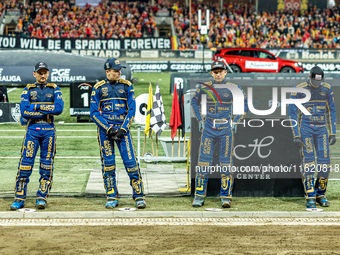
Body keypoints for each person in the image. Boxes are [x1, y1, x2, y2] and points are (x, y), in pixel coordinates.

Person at [191, 61, 248, 208]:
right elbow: (194, 103)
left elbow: (244, 104)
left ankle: (226, 197)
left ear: (225, 72)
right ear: (211, 73)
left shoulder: (233, 88)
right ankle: (199, 196)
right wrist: (199, 119)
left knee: (226, 165)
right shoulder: (204, 87)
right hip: (208, 130)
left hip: (225, 132)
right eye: (215, 71)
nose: (218, 74)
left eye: (220, 71)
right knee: (203, 164)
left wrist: (235, 121)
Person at [90, 58, 146, 209]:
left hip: (123, 130)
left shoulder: (127, 86)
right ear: (107, 72)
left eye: (119, 70)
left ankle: (139, 196)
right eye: (115, 70)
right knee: (108, 165)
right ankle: (111, 196)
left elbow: (132, 109)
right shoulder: (98, 88)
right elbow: (94, 113)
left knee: (131, 163)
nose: (119, 72)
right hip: (105, 132)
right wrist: (109, 128)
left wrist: (123, 128)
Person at [10, 62, 64, 210]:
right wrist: (46, 110)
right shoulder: (28, 89)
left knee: (47, 166)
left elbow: (59, 109)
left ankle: (42, 197)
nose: (42, 75)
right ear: (34, 74)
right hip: (32, 130)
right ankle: (19, 198)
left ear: (48, 74)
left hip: (49, 132)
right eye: (39, 72)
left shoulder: (55, 88)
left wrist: (36, 106)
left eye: (45, 72)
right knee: (25, 165)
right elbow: (24, 112)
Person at [288, 66, 336, 209]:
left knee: (325, 163)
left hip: (322, 129)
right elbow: (292, 113)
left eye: (319, 82)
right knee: (308, 163)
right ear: (309, 76)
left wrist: (332, 132)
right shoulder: (299, 88)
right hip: (306, 129)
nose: (317, 85)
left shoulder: (327, 88)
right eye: (315, 82)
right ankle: (310, 195)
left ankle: (321, 194)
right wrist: (296, 134)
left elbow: (331, 111)